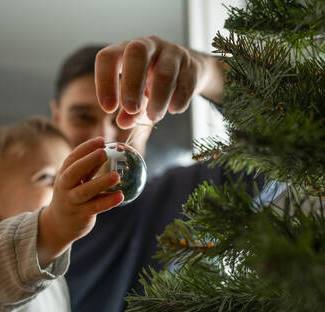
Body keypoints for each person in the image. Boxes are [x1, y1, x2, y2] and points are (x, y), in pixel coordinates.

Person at [51, 36, 239, 312]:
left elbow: (293, 146)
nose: (104, 137)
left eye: (121, 114)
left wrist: (209, 72)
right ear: (57, 120)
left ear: (148, 119)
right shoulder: (28, 229)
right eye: (82, 117)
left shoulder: (194, 195)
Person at [0, 117, 124, 311]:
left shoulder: (53, 278)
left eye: (67, 174)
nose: (64, 187)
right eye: (46, 177)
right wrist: (54, 226)